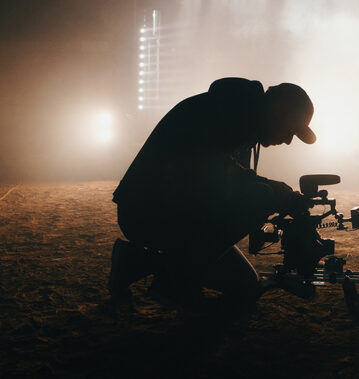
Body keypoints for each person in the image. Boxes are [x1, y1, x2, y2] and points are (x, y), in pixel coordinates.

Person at [108, 77, 316, 307]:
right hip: (148, 213)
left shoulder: (237, 113)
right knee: (260, 197)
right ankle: (171, 284)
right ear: (279, 111)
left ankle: (132, 261)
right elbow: (213, 174)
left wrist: (276, 190)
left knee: (244, 285)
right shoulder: (230, 115)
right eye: (291, 130)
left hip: (155, 210)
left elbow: (224, 174)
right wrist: (274, 193)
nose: (288, 140)